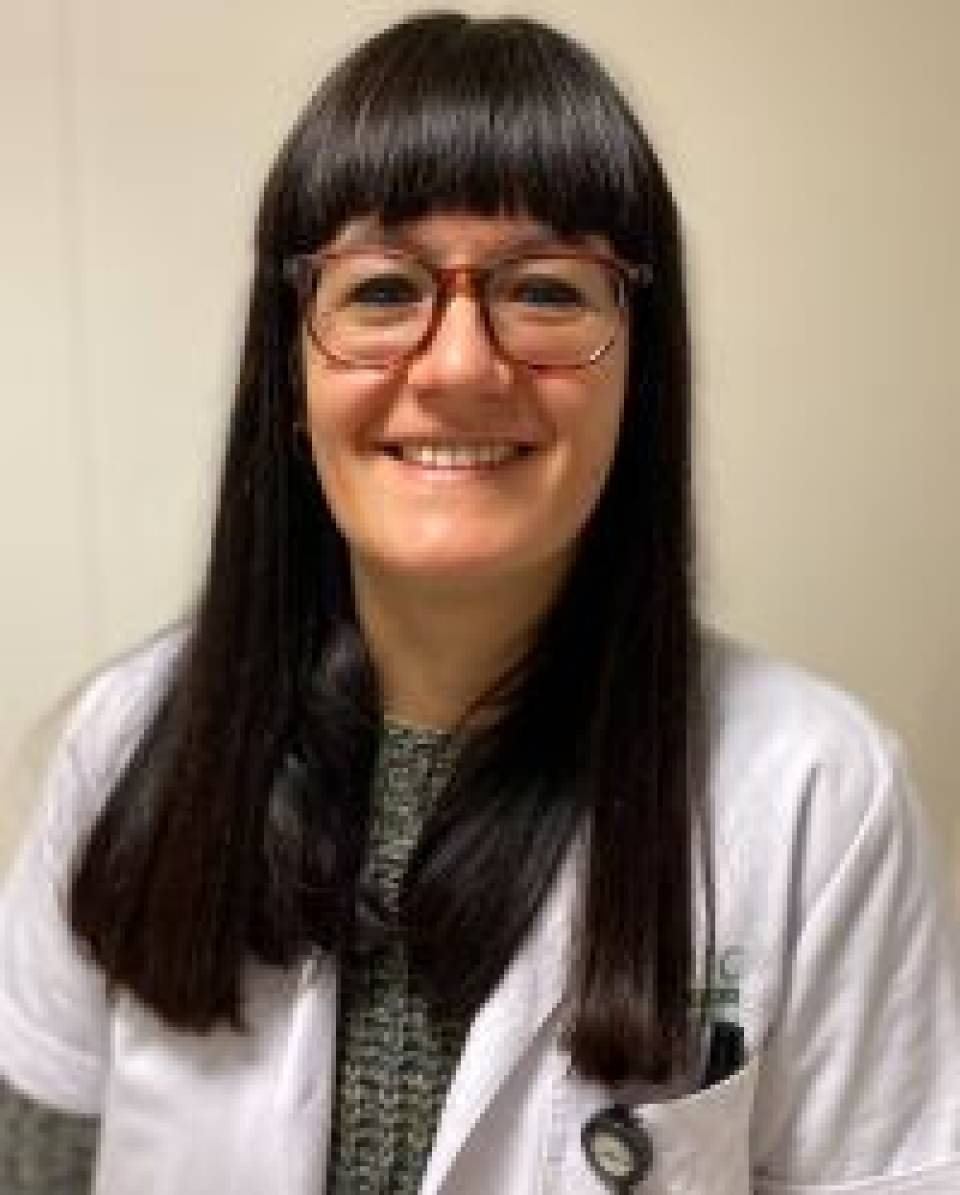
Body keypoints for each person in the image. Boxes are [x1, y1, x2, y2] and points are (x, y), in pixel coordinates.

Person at [0, 11, 957, 1194]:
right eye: (382, 289)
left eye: (546, 290)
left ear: (638, 372)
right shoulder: (122, 744)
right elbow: (34, 1161)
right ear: (291, 370)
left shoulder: (817, 794)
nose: (459, 365)